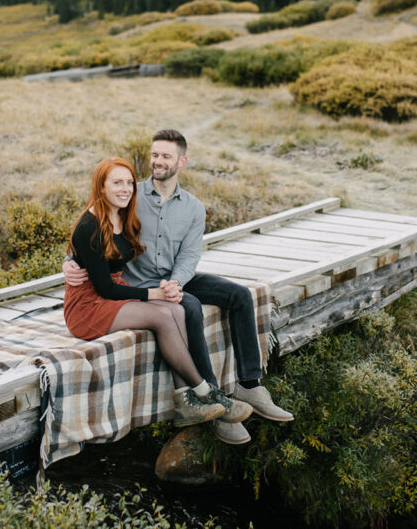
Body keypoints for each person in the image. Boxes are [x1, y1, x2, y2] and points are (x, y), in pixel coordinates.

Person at [65, 130, 293, 445]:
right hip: (136, 282)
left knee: (239, 295)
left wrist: (176, 283)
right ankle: (213, 402)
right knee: (190, 308)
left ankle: (250, 385)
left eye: (166, 156)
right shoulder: (132, 194)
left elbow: (189, 255)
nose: (157, 161)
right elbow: (93, 233)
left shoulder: (193, 208)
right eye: (154, 155)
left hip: (174, 278)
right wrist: (69, 262)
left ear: (181, 161)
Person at [64, 156, 227, 427]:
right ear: (101, 186)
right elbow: (104, 287)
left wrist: (165, 287)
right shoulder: (89, 226)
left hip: (114, 293)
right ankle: (203, 390)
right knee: (162, 316)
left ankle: (183, 399)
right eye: (116, 182)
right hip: (87, 306)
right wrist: (154, 294)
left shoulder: (123, 214)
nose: (125, 189)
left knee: (175, 309)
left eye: (129, 182)